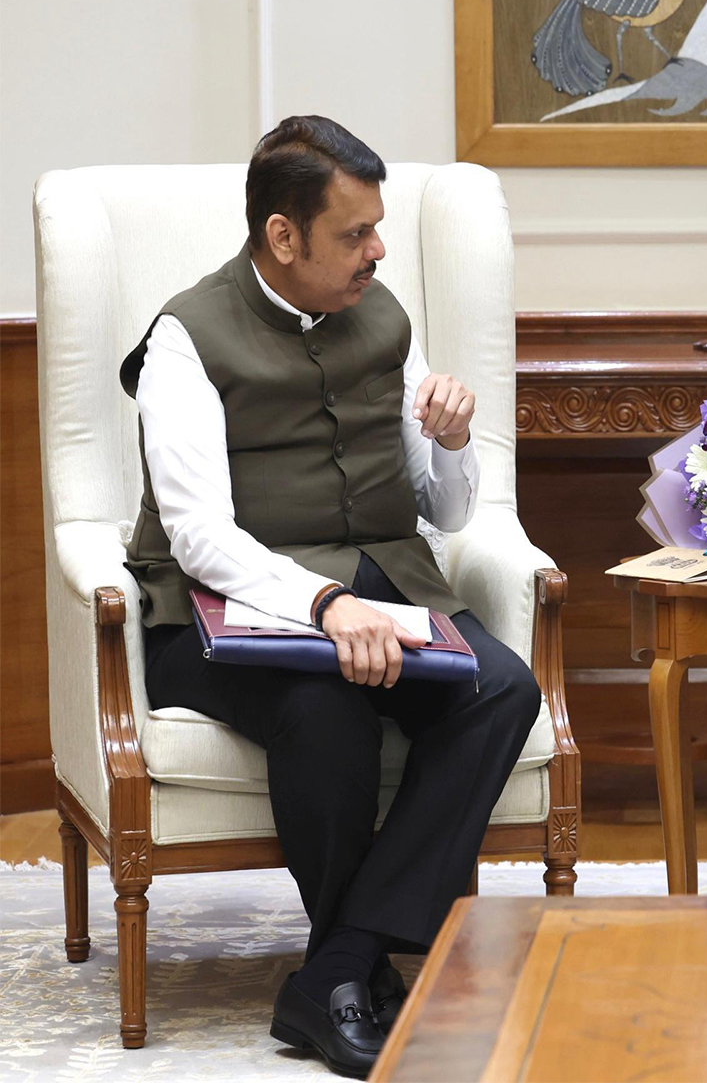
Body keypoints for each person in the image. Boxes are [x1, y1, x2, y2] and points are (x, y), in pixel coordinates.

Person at [121, 115, 542, 1077]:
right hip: (216, 610)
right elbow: (199, 537)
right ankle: (352, 972)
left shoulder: (383, 313)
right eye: (355, 234)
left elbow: (439, 509)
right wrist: (322, 605)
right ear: (283, 236)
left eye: (378, 229)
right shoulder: (186, 337)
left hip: (385, 581)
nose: (378, 251)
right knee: (327, 709)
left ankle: (339, 965)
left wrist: (449, 440)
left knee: (502, 690)